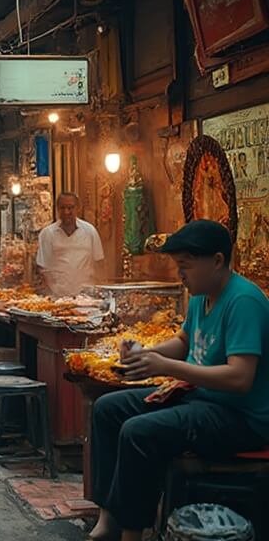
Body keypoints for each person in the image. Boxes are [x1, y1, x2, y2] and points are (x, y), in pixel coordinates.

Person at [89, 220, 269, 541]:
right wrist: (146, 355)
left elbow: (240, 378)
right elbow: (184, 342)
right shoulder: (201, 294)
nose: (179, 275)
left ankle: (132, 533)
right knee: (107, 409)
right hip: (201, 398)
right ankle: (108, 519)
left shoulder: (244, 301)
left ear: (216, 261)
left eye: (184, 266)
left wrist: (168, 368)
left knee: (139, 432)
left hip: (240, 418)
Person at [36, 192, 105, 296]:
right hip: (58, 296)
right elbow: (43, 267)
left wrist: (100, 289)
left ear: (78, 208)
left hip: (86, 296)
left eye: (70, 207)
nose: (66, 212)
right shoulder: (47, 234)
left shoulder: (90, 231)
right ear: (57, 209)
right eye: (62, 208)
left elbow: (99, 262)